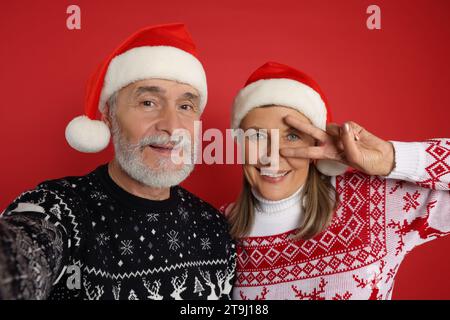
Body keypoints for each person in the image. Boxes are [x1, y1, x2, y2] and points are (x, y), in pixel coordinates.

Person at [0, 23, 235, 300]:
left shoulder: (214, 226)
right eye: (148, 102)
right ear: (108, 116)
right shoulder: (59, 209)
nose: (172, 127)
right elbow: (23, 250)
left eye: (185, 106)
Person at [224, 61, 449, 300]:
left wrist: (388, 158)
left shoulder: (373, 202)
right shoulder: (215, 229)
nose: (271, 155)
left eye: (292, 136)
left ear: (315, 144)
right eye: (257, 135)